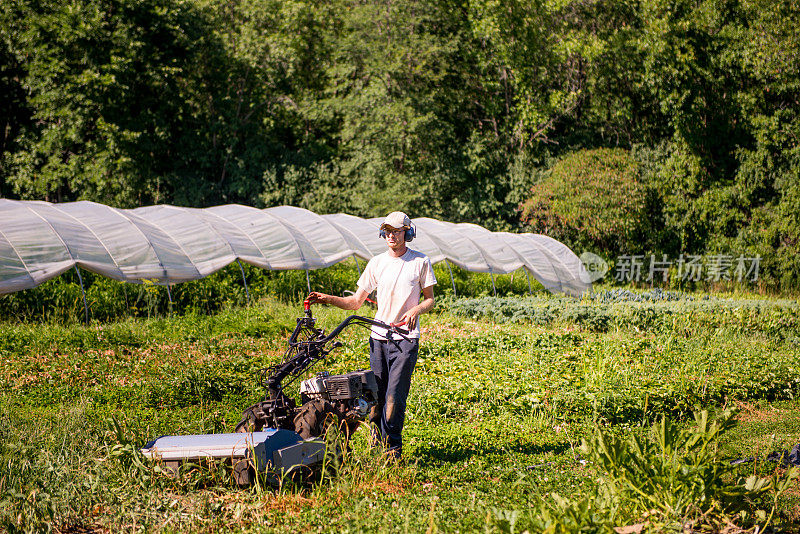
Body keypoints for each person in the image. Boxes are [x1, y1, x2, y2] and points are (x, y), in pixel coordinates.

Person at [307, 211, 436, 458]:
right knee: (376, 396)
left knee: (394, 397)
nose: (391, 235)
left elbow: (429, 299)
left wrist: (415, 310)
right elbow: (356, 302)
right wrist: (328, 299)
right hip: (379, 338)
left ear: (407, 233)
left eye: (397, 231)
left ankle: (393, 450)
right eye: (387, 230)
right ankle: (378, 447)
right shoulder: (376, 262)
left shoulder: (420, 262)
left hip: (405, 340)